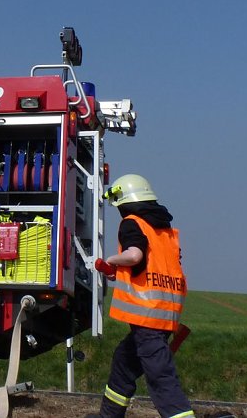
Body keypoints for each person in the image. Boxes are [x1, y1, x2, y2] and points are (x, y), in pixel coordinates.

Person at [90, 174, 195, 418]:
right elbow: (150, 267)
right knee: (123, 364)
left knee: (160, 375)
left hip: (147, 317)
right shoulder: (164, 230)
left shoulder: (132, 223)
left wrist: (111, 261)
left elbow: (134, 256)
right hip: (166, 316)